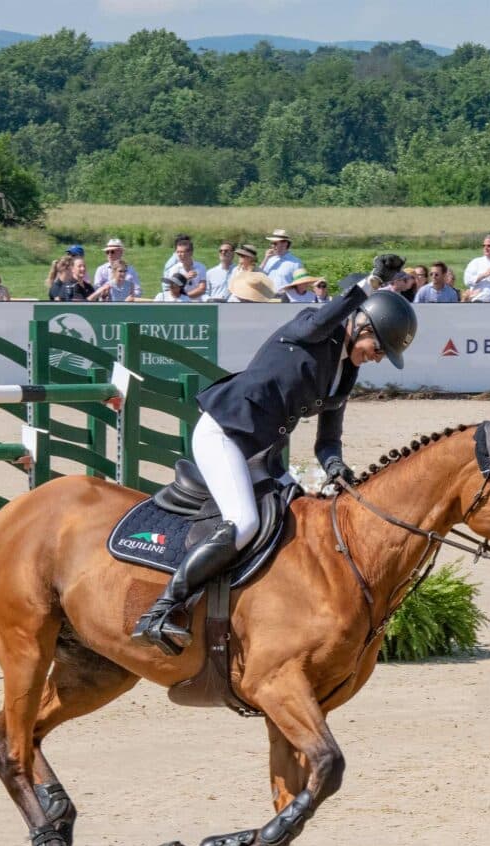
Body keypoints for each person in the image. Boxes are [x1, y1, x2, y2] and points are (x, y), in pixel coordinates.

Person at [132, 254, 416, 653]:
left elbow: (327, 439)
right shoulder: (311, 330)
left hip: (265, 453)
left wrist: (336, 467)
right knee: (244, 522)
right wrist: (371, 283)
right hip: (226, 434)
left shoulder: (345, 373)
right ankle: (163, 609)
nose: (378, 356)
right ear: (360, 323)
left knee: (300, 519)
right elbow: (329, 315)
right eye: (378, 346)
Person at [162, 234, 207, 300]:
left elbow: (202, 289)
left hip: (196, 305)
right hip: (180, 304)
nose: (179, 255)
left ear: (191, 253)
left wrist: (185, 297)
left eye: (182, 252)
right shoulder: (174, 269)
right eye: (178, 252)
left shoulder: (201, 267)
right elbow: (173, 290)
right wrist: (184, 278)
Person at [259, 228, 303, 293]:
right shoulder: (269, 259)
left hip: (286, 298)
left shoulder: (296, 262)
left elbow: (299, 283)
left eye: (275, 243)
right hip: (268, 297)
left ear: (284, 243)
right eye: (272, 243)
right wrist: (265, 259)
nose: (272, 246)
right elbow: (257, 275)